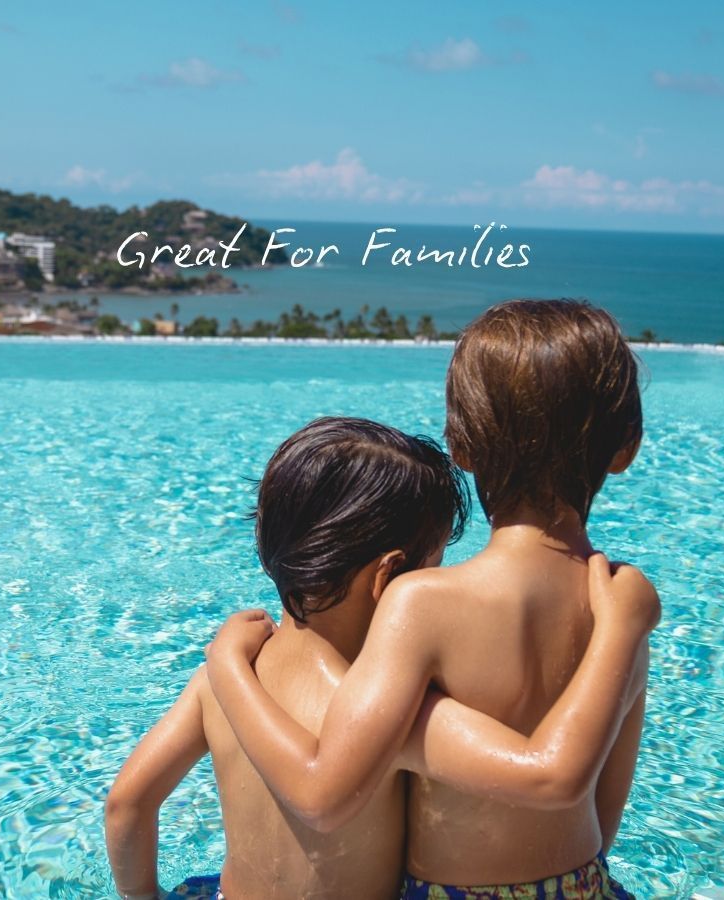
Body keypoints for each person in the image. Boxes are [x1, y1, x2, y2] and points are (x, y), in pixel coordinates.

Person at [205, 300, 655, 898]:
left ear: (460, 446)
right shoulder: (622, 605)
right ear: (627, 447)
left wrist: (227, 665)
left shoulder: (422, 603)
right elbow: (605, 822)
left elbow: (324, 793)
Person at [107, 414, 656, 899]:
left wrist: (143, 895)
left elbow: (127, 804)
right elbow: (545, 780)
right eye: (436, 563)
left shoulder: (224, 678)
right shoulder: (392, 717)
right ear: (388, 577)